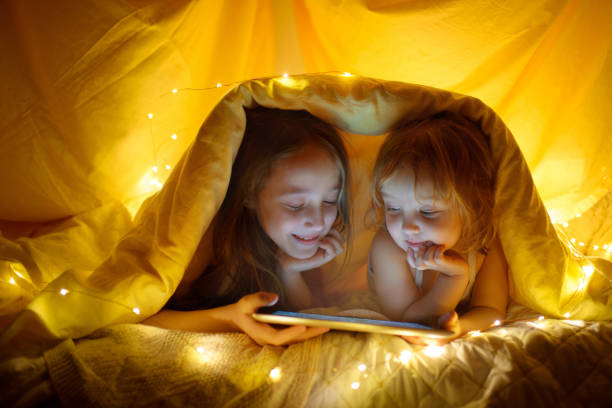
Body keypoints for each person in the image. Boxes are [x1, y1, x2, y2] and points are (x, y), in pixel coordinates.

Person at [143, 107, 351, 346]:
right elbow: (143, 317)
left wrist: (289, 272)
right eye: (295, 205)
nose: (318, 221)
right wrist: (231, 318)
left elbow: (304, 315)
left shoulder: (295, 239)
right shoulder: (203, 240)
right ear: (250, 193)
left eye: (329, 200)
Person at [367, 112, 508, 344]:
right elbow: (413, 325)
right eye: (393, 208)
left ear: (469, 206)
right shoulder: (388, 248)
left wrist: (459, 327)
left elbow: (491, 310)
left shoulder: (484, 244)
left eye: (427, 211)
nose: (408, 227)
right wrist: (454, 276)